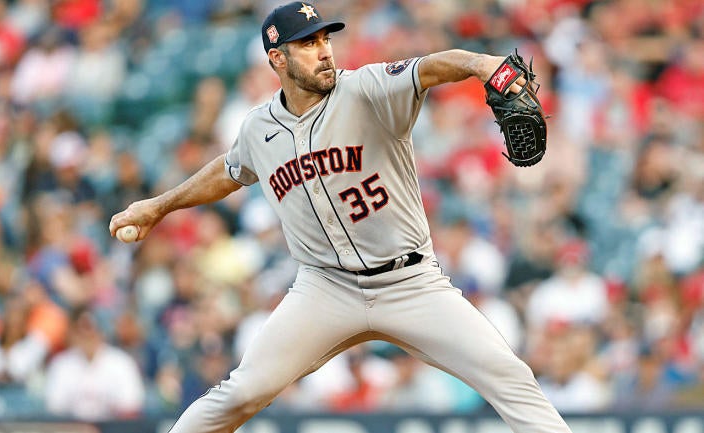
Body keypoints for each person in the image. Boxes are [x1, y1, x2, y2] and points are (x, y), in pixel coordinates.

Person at [109, 2, 573, 432]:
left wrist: (479, 63)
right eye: (307, 43)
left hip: (409, 282)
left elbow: (428, 68)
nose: (324, 51)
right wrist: (158, 205)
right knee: (242, 393)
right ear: (277, 60)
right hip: (324, 289)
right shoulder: (258, 128)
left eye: (325, 39)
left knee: (508, 375)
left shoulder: (366, 89)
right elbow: (230, 171)